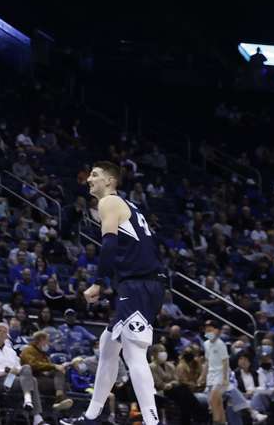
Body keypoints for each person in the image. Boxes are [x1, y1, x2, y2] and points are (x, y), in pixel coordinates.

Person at [61, 161, 164, 425]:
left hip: (138, 285)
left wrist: (98, 282)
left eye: (94, 175)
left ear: (109, 181)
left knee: (133, 354)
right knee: (108, 346)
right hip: (143, 283)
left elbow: (108, 246)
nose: (89, 180)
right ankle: (91, 416)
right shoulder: (130, 207)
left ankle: (153, 422)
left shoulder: (109, 202)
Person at [21, 329, 77, 412]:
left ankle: (59, 398)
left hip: (44, 378)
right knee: (63, 384)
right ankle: (59, 400)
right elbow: (32, 365)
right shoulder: (28, 350)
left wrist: (57, 367)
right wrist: (53, 366)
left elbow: (49, 368)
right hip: (33, 379)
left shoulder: (43, 354)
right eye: (47, 341)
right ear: (41, 340)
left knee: (60, 372)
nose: (49, 344)